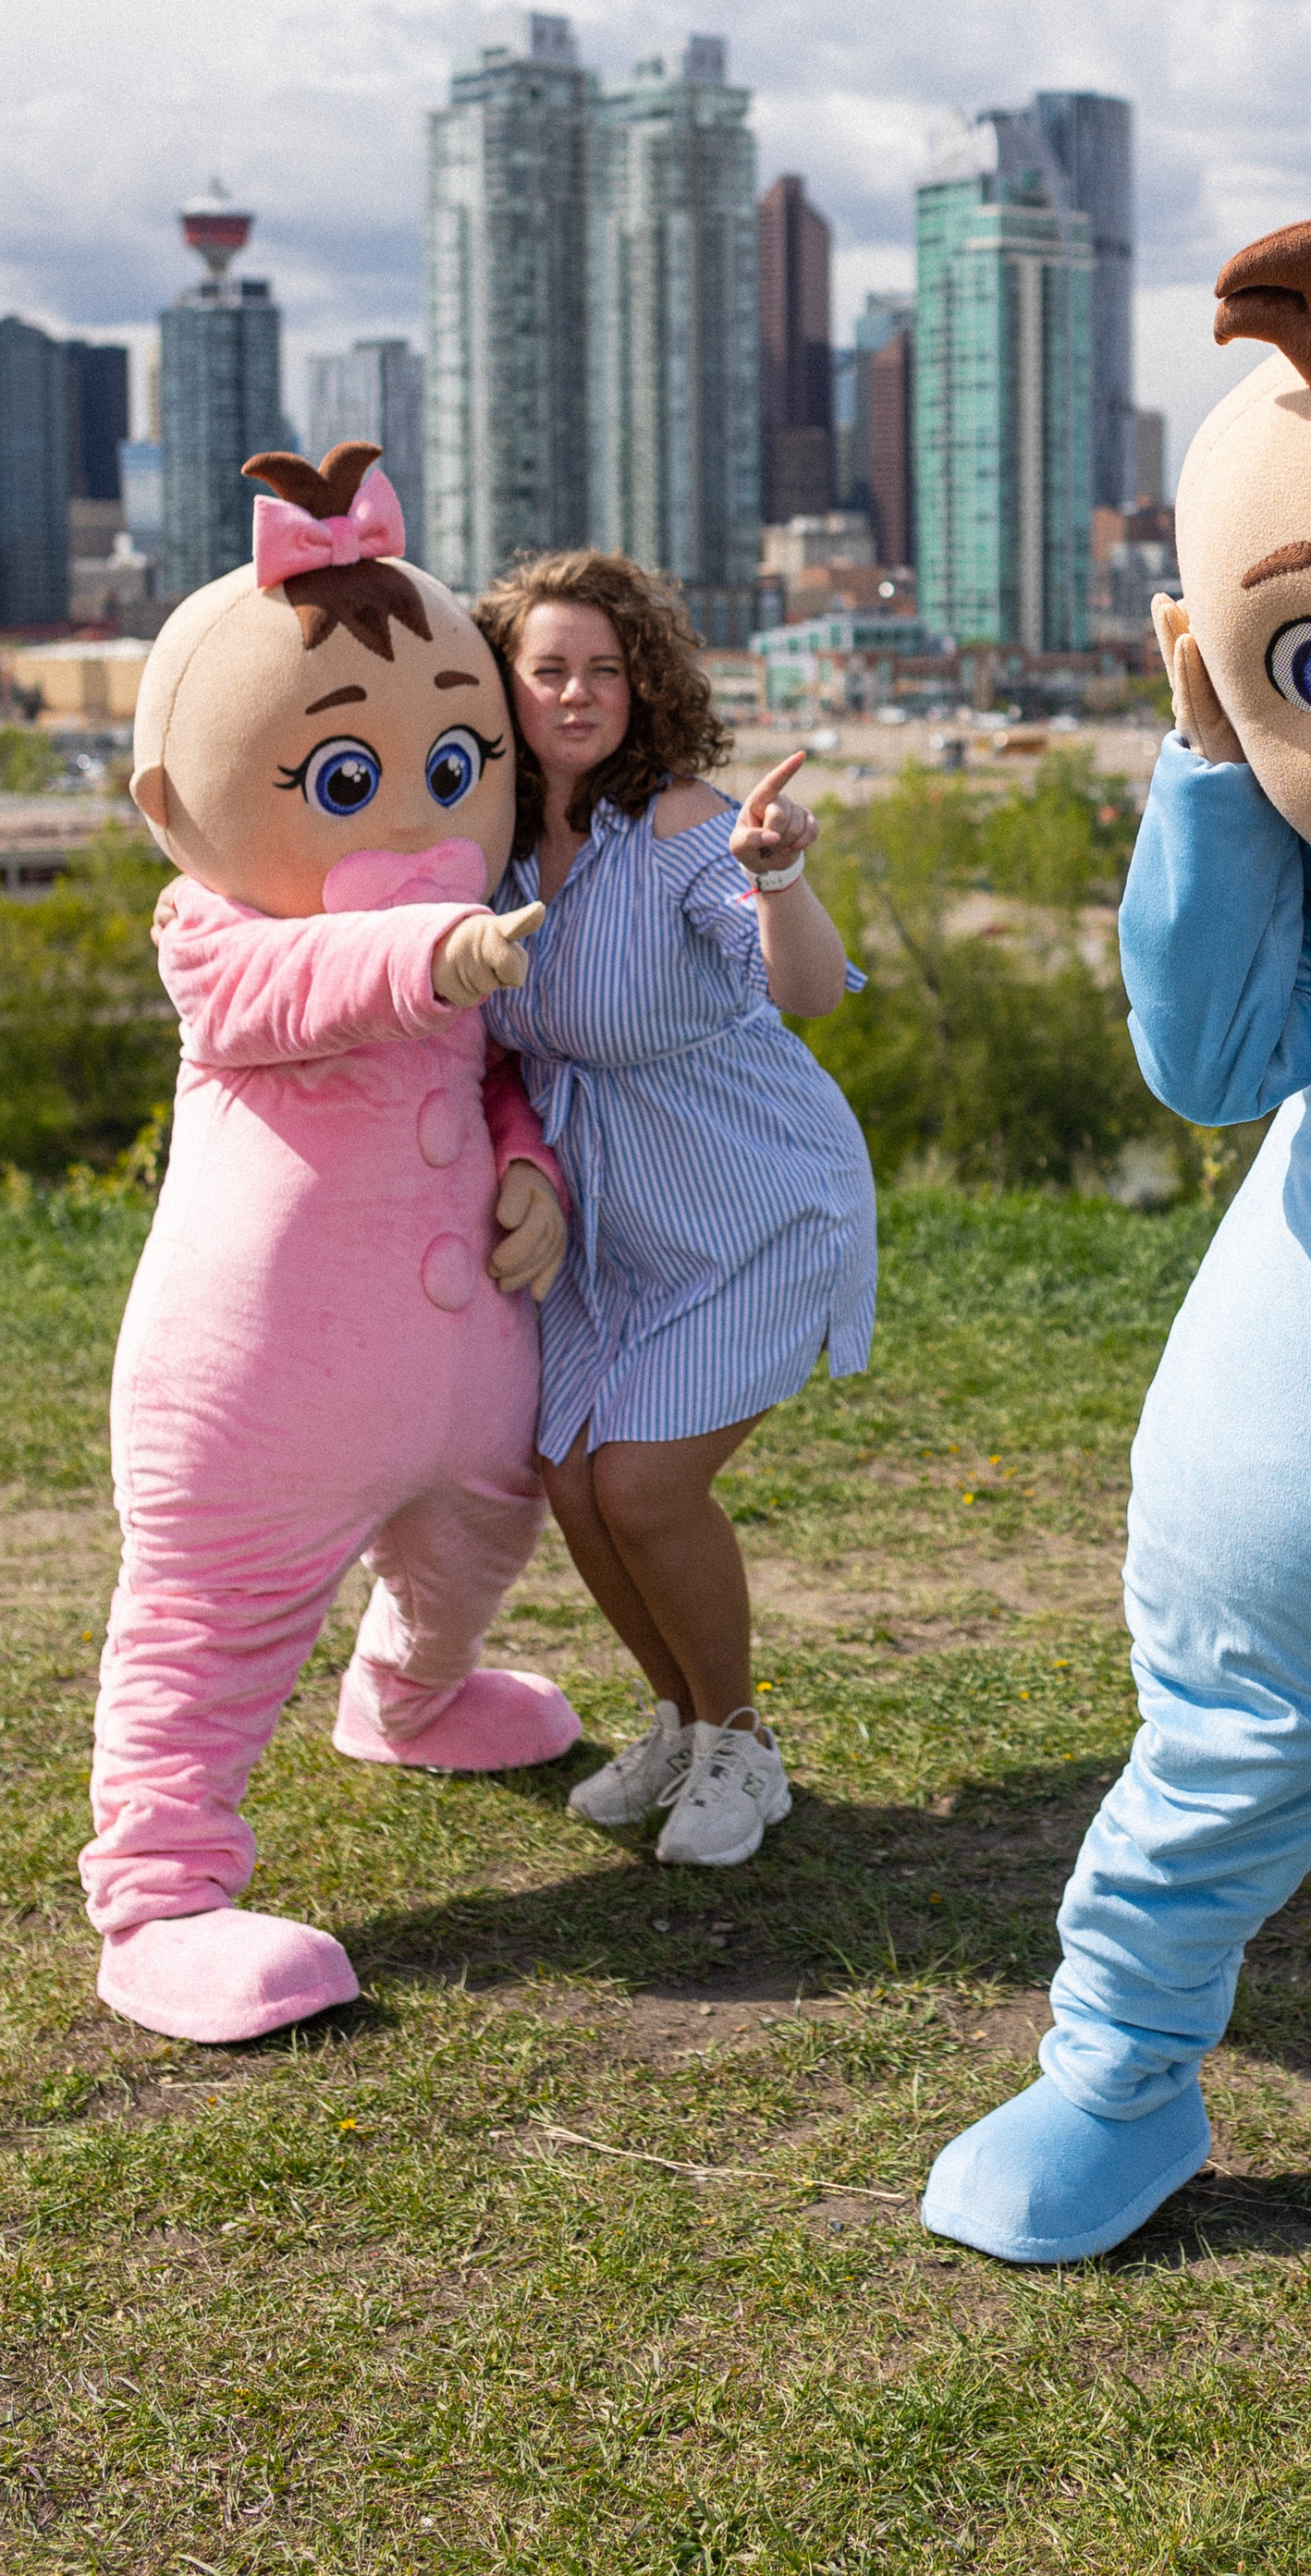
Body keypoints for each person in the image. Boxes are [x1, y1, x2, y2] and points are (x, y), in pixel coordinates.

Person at [472, 549, 876, 1870]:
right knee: (572, 1485)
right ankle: (682, 1724)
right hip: (613, 1216)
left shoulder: (689, 825)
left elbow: (806, 990)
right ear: (507, 689)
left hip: (755, 1197)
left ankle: (743, 1749)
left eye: (606, 669)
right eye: (549, 671)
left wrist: (778, 875)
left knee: (643, 1486)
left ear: (644, 686)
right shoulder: (491, 846)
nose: (579, 694)